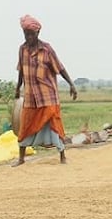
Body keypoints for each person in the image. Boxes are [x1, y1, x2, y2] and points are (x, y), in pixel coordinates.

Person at [13, 14, 77, 166]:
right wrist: (18, 88)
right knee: (25, 125)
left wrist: (71, 84)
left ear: (38, 33)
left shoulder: (47, 49)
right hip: (30, 97)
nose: (28, 37)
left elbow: (60, 68)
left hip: (48, 96)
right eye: (26, 34)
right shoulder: (22, 50)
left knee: (55, 124)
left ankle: (62, 156)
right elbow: (21, 71)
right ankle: (21, 158)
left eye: (31, 34)